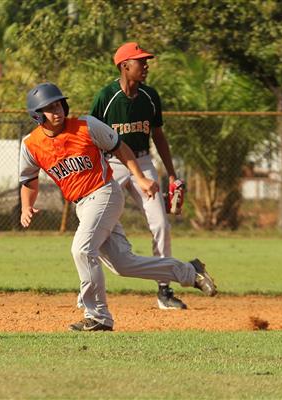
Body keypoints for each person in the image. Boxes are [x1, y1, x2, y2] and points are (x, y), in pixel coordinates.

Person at [19, 82, 217, 332]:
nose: (56, 110)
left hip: (104, 194)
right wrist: (27, 207)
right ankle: (190, 271)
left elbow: (120, 148)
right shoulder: (31, 144)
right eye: (48, 108)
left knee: (81, 250)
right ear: (37, 115)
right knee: (124, 265)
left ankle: (98, 315)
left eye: (58, 104)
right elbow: (28, 179)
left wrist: (141, 178)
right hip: (83, 206)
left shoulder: (86, 125)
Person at [90, 42, 187, 310]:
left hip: (143, 161)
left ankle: (164, 290)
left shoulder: (150, 96)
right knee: (96, 222)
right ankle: (89, 286)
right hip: (112, 163)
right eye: (140, 61)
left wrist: (172, 174)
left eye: (146, 61)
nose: (145, 66)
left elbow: (158, 135)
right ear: (124, 66)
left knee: (161, 224)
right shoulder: (105, 97)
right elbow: (92, 136)